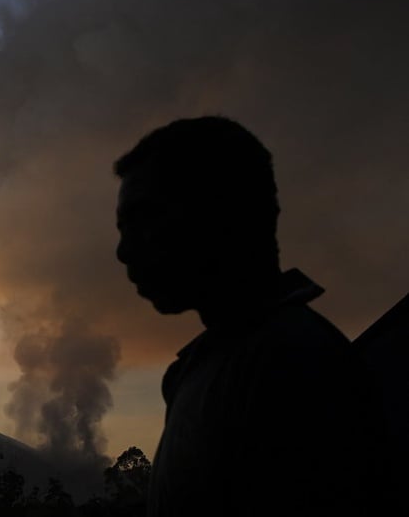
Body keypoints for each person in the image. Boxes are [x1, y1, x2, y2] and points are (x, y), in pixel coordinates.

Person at [113, 116, 379, 516]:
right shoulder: (215, 365)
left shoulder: (289, 367)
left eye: (144, 219)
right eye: (123, 227)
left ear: (218, 210)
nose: (123, 251)